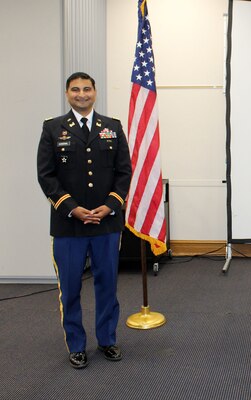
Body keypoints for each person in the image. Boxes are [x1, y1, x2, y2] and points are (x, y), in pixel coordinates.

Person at [37, 72, 132, 369]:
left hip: (105, 224)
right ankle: (76, 345)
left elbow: (124, 173)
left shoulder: (112, 128)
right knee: (71, 288)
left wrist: (110, 206)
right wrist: (71, 208)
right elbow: (46, 175)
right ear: (67, 94)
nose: (82, 94)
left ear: (95, 92)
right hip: (69, 225)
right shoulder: (53, 129)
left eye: (87, 89)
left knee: (107, 285)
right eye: (75, 90)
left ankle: (106, 340)